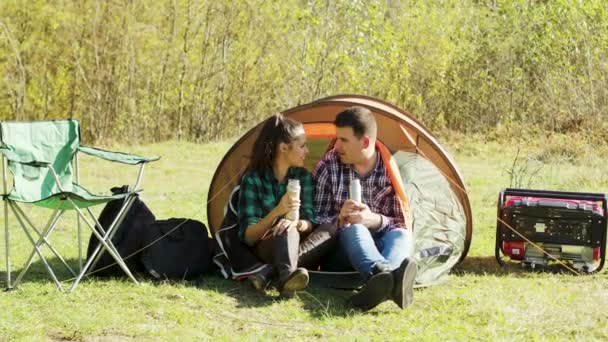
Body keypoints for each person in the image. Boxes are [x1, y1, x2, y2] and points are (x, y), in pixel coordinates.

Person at [313, 106, 417, 311]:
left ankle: (381, 282)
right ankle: (388, 278)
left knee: (402, 235)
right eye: (337, 138)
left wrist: (373, 220)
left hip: (380, 243)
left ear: (366, 142)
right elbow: (314, 217)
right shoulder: (328, 165)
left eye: (344, 140)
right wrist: (340, 219)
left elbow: (400, 220)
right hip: (341, 252)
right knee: (354, 227)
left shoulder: (390, 170)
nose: (336, 146)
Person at [238, 114, 337, 297]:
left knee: (330, 229)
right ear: (284, 148)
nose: (306, 151)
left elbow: (310, 221)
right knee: (286, 231)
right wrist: (277, 212)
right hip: (267, 245)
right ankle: (286, 280)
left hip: (298, 240)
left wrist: (297, 223)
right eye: (302, 146)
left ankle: (271, 273)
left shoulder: (303, 177)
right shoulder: (253, 179)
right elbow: (249, 237)